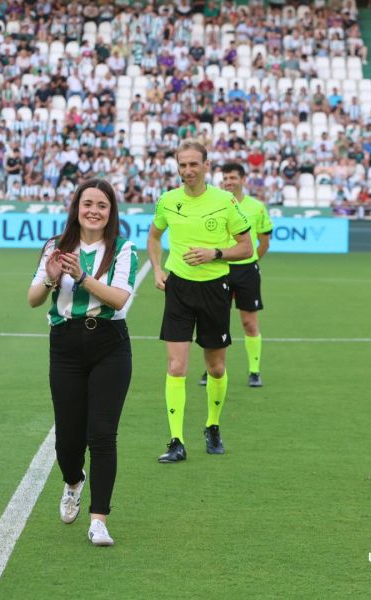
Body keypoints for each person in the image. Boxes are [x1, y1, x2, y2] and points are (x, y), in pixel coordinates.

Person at [28, 179, 137, 546]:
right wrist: (50, 277)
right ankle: (74, 480)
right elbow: (32, 299)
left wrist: (82, 277)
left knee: (103, 434)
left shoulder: (122, 249)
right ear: (77, 207)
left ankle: (99, 519)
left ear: (111, 212)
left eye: (102, 205)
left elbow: (119, 299)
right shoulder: (55, 246)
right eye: (87, 203)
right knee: (68, 442)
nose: (93, 210)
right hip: (65, 345)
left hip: (110, 345)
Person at [147, 141, 253, 463]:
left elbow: (247, 247)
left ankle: (212, 425)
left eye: (194, 164)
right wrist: (156, 268)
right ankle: (176, 439)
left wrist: (215, 253)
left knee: (216, 367)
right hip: (178, 289)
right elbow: (153, 236)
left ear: (207, 166)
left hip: (214, 289)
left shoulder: (224, 201)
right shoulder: (168, 201)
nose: (188, 171)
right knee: (176, 366)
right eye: (183, 165)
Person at [199, 162, 273, 388]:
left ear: (243, 180)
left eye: (233, 178)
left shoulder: (257, 207)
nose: (229, 182)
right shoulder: (215, 204)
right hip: (219, 268)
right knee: (215, 321)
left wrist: (251, 262)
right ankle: (212, 368)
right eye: (225, 178)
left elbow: (264, 241)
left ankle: (254, 370)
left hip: (246, 270)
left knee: (249, 323)